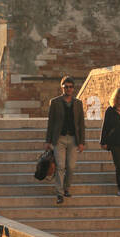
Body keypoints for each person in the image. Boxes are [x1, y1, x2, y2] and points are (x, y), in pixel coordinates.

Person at [45, 76, 86, 205]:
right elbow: (50, 123)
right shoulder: (55, 102)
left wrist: (82, 142)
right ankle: (59, 193)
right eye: (65, 87)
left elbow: (81, 123)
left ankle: (66, 188)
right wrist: (48, 140)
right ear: (62, 88)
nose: (68, 89)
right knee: (60, 166)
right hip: (60, 139)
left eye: (70, 87)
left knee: (71, 166)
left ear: (73, 89)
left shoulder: (78, 103)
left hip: (74, 139)